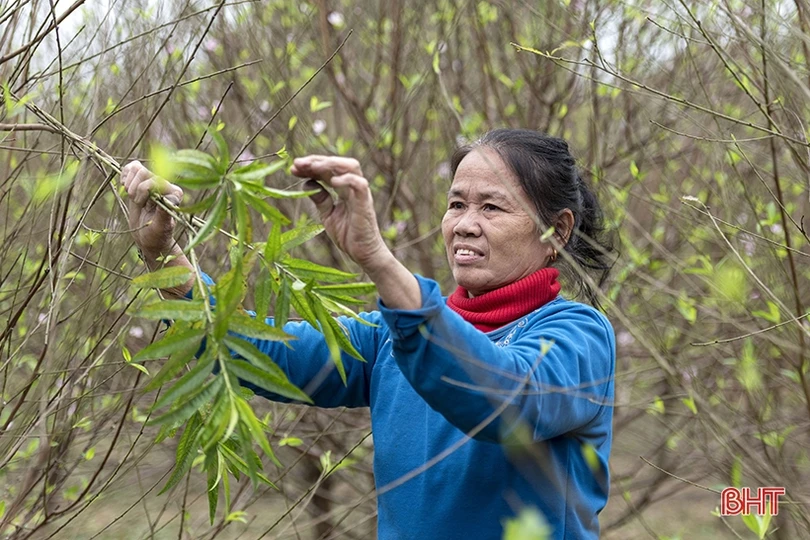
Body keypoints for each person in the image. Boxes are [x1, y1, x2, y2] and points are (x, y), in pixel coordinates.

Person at [122, 128, 616, 539]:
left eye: (492, 208)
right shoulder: (390, 334)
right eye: (457, 204)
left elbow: (501, 399)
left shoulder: (578, 338)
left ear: (557, 230)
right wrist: (164, 256)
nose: (465, 225)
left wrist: (379, 261)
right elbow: (258, 353)